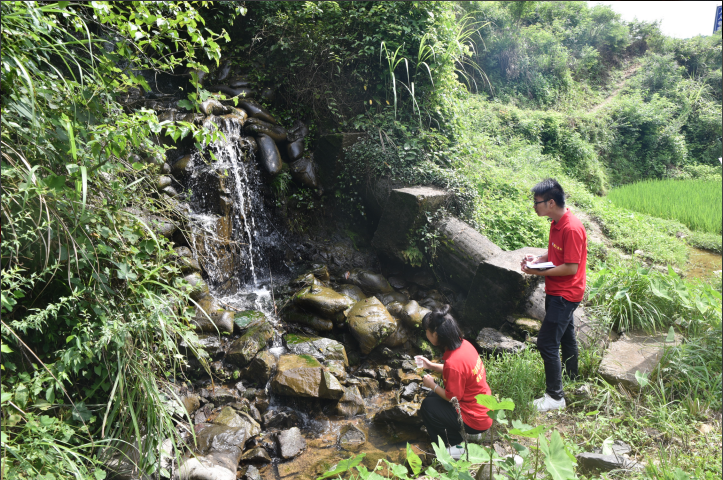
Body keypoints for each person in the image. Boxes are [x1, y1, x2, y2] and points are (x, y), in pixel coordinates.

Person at [520, 178, 587, 413]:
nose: (534, 206)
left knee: (547, 342)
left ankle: (555, 397)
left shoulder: (571, 227)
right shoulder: (556, 223)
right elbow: (555, 253)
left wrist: (539, 271)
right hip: (556, 291)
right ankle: (572, 379)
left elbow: (571, 267)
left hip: (566, 294)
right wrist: (536, 260)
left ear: (550, 202)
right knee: (567, 337)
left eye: (536, 202)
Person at [417, 305, 493, 459]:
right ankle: (469, 435)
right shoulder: (464, 344)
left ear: (436, 334)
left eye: (427, 331)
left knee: (428, 407)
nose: (426, 334)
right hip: (484, 409)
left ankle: (453, 446)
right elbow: (458, 371)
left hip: (475, 418)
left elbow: (453, 398)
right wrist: (431, 365)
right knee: (432, 397)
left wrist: (432, 384)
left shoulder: (453, 362)